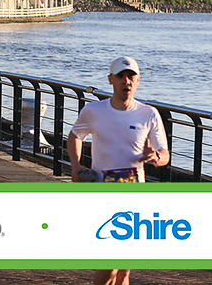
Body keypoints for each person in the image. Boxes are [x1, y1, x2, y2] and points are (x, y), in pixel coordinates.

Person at [67, 56, 169, 285]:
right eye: (121, 76)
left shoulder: (149, 114)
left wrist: (156, 157)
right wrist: (76, 166)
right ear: (110, 79)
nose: (126, 81)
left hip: (134, 193)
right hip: (102, 191)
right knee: (110, 263)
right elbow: (75, 136)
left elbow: (165, 154)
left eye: (131, 76)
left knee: (124, 270)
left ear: (138, 80)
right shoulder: (94, 110)